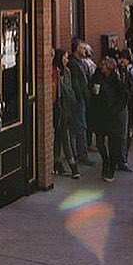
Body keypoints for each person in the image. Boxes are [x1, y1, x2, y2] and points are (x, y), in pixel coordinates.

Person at [90, 57, 129, 182]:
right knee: (100, 142)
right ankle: (105, 161)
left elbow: (124, 96)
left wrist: (116, 110)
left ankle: (111, 168)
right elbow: (90, 88)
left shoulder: (116, 81)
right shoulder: (97, 77)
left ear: (109, 67)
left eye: (103, 65)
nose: (101, 66)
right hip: (100, 115)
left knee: (113, 144)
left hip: (112, 117)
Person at [52, 49, 80, 179]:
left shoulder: (67, 72)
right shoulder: (54, 73)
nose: (67, 60)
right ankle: (72, 165)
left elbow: (69, 90)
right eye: (65, 57)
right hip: (58, 109)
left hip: (67, 109)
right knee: (64, 137)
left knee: (60, 136)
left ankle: (57, 162)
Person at [68, 41, 95, 166]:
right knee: (80, 127)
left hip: (80, 99)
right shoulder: (74, 64)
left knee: (76, 127)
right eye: (82, 47)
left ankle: (75, 153)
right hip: (78, 100)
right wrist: (80, 96)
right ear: (76, 49)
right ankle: (82, 155)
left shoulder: (79, 62)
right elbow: (76, 83)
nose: (85, 50)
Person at [117, 49, 133, 168]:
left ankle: (124, 155)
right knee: (124, 132)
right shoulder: (120, 72)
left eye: (123, 59)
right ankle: (122, 156)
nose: (121, 61)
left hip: (130, 105)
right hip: (126, 105)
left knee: (127, 131)